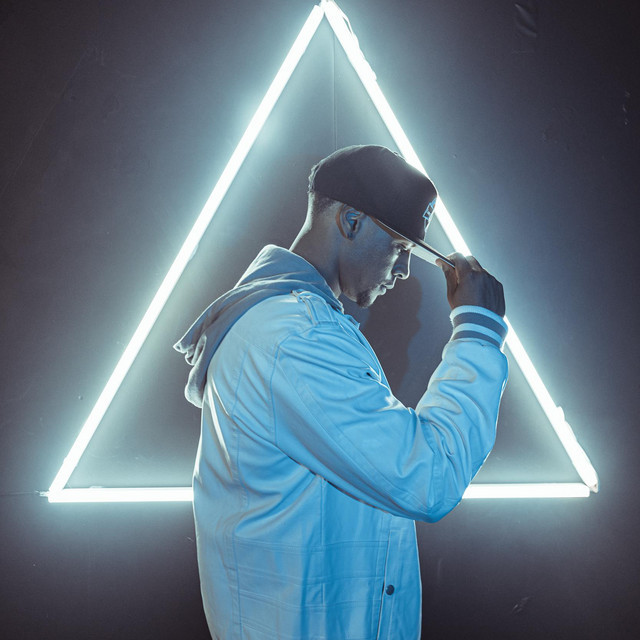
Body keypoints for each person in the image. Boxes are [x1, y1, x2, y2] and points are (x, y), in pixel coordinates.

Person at [174, 145, 508, 640]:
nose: (403, 270)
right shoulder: (295, 339)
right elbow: (427, 477)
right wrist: (478, 334)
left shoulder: (298, 326)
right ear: (351, 222)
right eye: (399, 247)